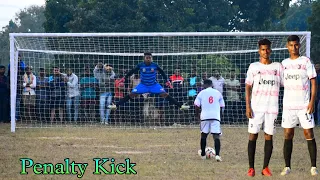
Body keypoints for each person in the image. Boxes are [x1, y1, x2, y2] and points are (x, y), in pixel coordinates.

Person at [280, 35, 318, 176]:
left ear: (299, 46)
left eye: (296, 45)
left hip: (304, 105)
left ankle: (313, 166)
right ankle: (287, 167)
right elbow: (281, 83)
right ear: (287, 46)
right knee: (288, 134)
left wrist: (312, 101)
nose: (294, 48)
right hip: (289, 105)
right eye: (291, 45)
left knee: (308, 132)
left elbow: (313, 82)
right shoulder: (283, 64)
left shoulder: (306, 61)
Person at [246, 39, 283, 177]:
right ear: (259, 51)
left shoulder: (278, 67)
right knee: (253, 135)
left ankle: (265, 167)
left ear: (270, 50)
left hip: (272, 108)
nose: (265, 52)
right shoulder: (253, 67)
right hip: (256, 107)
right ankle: (251, 168)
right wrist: (248, 106)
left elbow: (285, 84)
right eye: (263, 49)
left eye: (267, 49)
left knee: (269, 136)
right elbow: (248, 87)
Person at [108, 52, 189, 111]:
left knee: (165, 94)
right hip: (143, 85)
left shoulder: (155, 65)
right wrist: (125, 77)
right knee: (132, 94)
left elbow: (162, 72)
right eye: (147, 57)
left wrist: (167, 80)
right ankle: (116, 106)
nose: (148, 59)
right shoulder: (140, 65)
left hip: (154, 85)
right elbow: (132, 71)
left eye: (149, 58)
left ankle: (181, 106)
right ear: (144, 58)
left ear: (151, 58)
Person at [194, 79, 225, 161]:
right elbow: (222, 106)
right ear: (212, 85)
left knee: (203, 135)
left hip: (205, 116)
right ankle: (217, 155)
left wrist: (197, 115)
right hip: (215, 116)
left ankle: (203, 155)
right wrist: (220, 116)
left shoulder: (201, 93)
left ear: (204, 85)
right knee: (216, 136)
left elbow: (196, 105)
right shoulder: (218, 93)